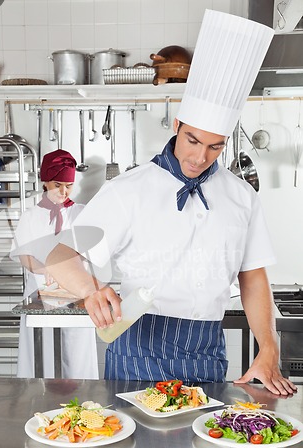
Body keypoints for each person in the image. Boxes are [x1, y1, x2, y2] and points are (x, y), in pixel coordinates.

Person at [44, 11, 297, 396]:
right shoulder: (128, 189)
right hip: (137, 351)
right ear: (177, 125)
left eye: (215, 147)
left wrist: (268, 346)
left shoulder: (241, 195)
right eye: (193, 141)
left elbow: (253, 275)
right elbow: (59, 255)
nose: (200, 157)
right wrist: (89, 290)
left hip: (207, 353)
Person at [10, 149, 99, 379]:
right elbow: (26, 258)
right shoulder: (30, 216)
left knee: (77, 353)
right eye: (57, 184)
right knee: (42, 353)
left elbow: (91, 253)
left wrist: (71, 273)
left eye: (69, 185)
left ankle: (82, 405)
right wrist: (51, 271)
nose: (63, 191)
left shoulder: (83, 214)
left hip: (77, 293)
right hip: (40, 294)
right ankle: (38, 400)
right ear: (45, 181)